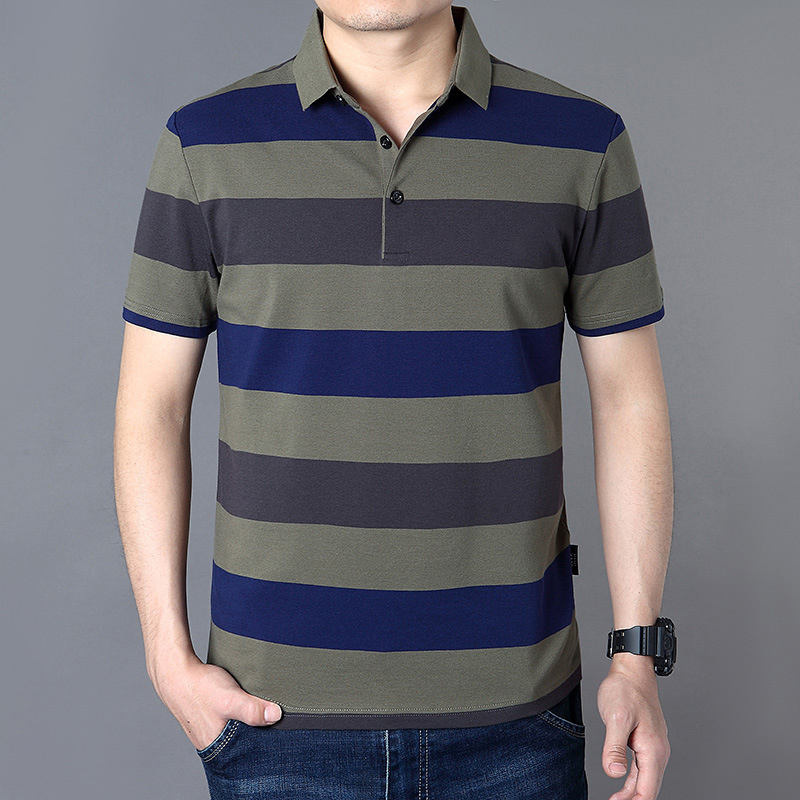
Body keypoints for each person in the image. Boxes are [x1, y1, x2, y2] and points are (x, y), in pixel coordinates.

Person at [114, 3, 673, 799]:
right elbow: (152, 409)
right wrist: (166, 659)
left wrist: (636, 657)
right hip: (273, 719)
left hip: (518, 718)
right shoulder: (203, 145)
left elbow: (629, 403)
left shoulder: (582, 142)